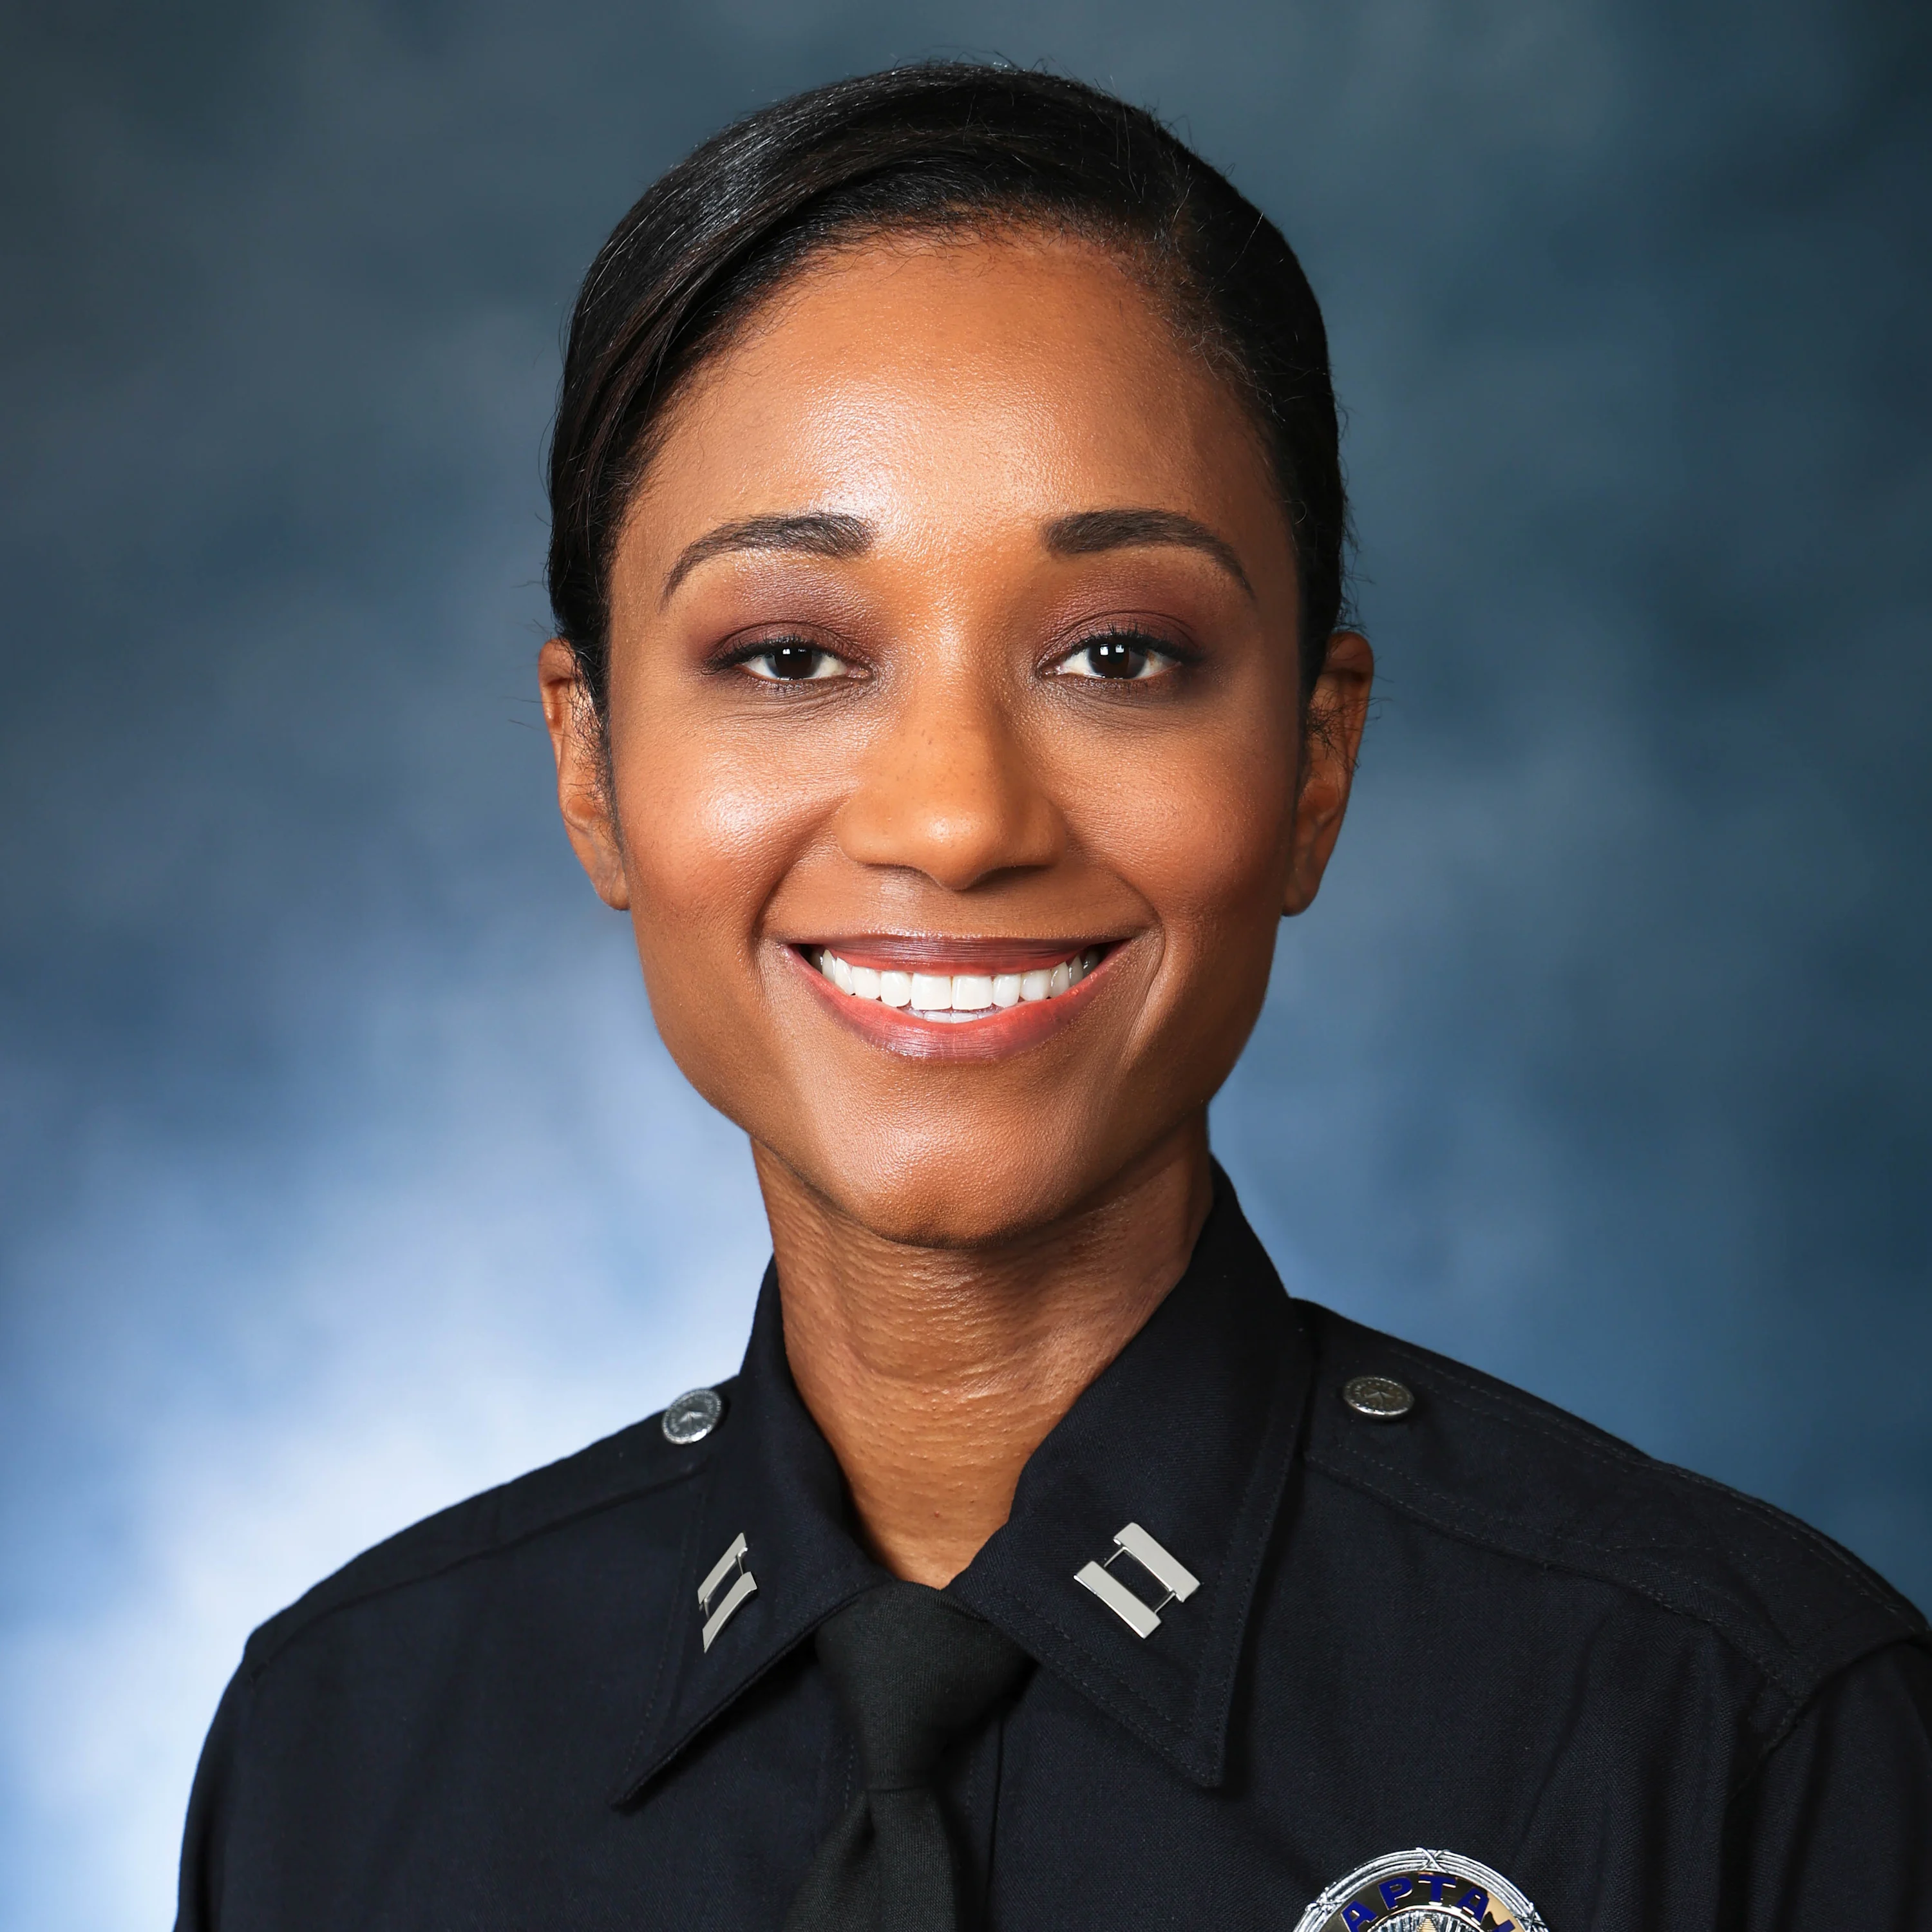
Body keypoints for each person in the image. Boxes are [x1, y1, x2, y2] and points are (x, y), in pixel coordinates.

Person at [174, 63, 1931, 1932]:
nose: (956, 816)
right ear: (590, 762)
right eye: (786, 652)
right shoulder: (348, 1746)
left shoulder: (1738, 1732)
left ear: (1314, 765)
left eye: (1119, 654)